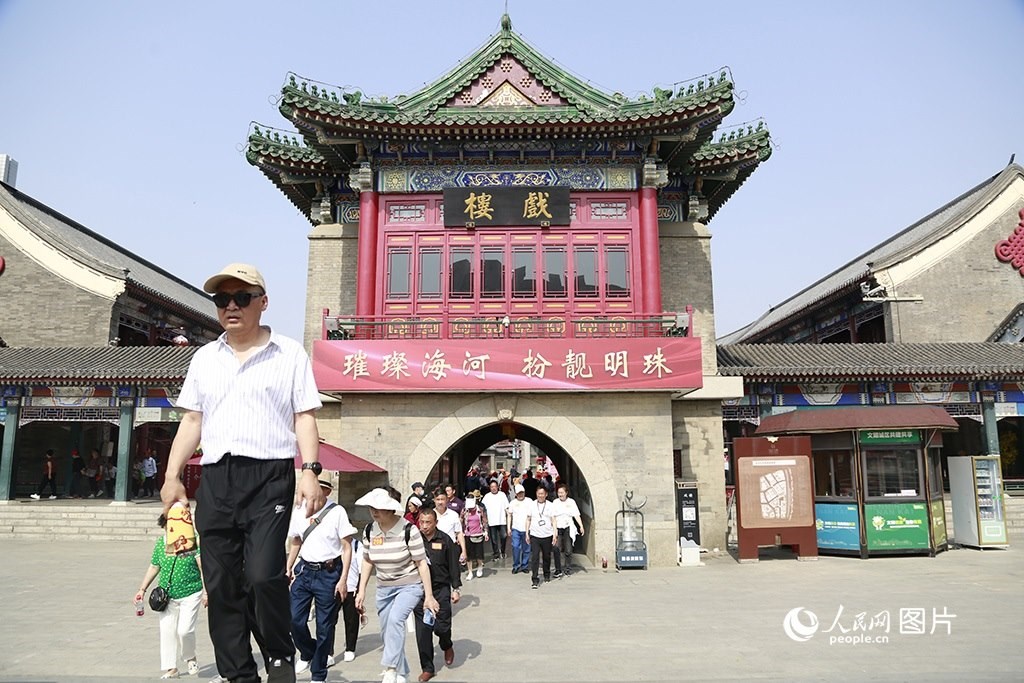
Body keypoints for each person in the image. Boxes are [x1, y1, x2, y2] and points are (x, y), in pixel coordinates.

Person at [161, 262, 326, 683]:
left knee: (262, 575)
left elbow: (304, 416)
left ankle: (278, 655)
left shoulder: (289, 353)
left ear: (263, 302)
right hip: (217, 479)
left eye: (241, 297)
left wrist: (309, 470)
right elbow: (192, 420)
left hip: (269, 477)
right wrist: (172, 475)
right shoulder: (204, 358)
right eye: (222, 299)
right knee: (220, 585)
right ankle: (238, 674)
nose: (231, 306)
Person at [355, 487, 440, 683]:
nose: (374, 512)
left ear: (391, 508)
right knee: (387, 630)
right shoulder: (369, 530)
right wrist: (361, 591)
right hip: (384, 586)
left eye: (378, 508)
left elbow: (421, 563)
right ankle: (402, 671)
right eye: (371, 508)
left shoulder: (409, 530)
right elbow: (367, 560)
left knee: (395, 620)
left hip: (409, 585)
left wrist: (428, 596)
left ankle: (390, 668)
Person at [286, 479, 355, 683]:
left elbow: (347, 547)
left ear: (326, 491)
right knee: (294, 619)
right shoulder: (299, 510)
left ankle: (318, 674)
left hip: (329, 573)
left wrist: (343, 579)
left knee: (324, 627)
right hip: (305, 570)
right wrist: (288, 566)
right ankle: (309, 651)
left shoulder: (337, 512)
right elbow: (296, 540)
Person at [134, 512, 207, 680]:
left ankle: (190, 657)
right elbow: (154, 566)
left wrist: (206, 591)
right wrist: (142, 589)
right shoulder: (161, 543)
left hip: (191, 592)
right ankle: (171, 668)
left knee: (185, 630)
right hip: (167, 596)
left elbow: (202, 566)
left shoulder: (193, 540)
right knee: (167, 630)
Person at [412, 507, 461, 682]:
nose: (424, 526)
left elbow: (453, 566)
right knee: (423, 632)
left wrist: (456, 588)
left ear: (436, 523)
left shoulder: (445, 540)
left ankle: (446, 645)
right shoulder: (414, 540)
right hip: (419, 591)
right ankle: (427, 668)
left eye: (428, 522)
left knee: (442, 627)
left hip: (441, 590)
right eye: (422, 522)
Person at [335, 529, 363, 664]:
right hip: (333, 588)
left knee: (351, 619)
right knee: (328, 620)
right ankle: (328, 652)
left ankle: (350, 648)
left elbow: (362, 570)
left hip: (352, 588)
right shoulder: (332, 544)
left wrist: (360, 589)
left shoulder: (357, 546)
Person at [527, 485, 558, 589]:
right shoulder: (532, 505)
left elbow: (553, 520)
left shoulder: (550, 505)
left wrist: (555, 534)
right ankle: (535, 579)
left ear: (546, 494)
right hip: (535, 535)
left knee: (546, 556)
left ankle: (546, 574)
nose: (540, 496)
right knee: (535, 557)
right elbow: (528, 519)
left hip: (547, 535)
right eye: (539, 494)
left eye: (542, 494)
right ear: (536, 494)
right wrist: (527, 533)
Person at [551, 483, 585, 576]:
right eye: (559, 492)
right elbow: (553, 517)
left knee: (568, 550)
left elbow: (576, 515)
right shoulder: (555, 502)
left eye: (562, 492)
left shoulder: (571, 502)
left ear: (566, 493)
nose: (560, 494)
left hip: (568, 527)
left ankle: (567, 568)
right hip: (558, 527)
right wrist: (554, 530)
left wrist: (581, 526)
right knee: (556, 548)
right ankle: (558, 569)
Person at [431, 490, 467, 567]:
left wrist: (464, 551)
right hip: (435, 549)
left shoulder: (453, 515)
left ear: (447, 500)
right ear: (434, 500)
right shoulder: (430, 515)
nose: (440, 502)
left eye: (442, 499)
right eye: (438, 499)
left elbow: (459, 533)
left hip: (451, 548)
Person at [506, 484, 533, 575]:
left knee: (526, 548)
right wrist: (508, 527)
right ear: (516, 494)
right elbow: (509, 515)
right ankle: (516, 565)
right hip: (516, 529)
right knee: (515, 547)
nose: (520, 495)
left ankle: (525, 565)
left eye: (522, 493)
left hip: (527, 529)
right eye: (519, 493)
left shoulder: (529, 501)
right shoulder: (512, 503)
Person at [460, 496, 488, 580]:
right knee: (469, 555)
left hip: (478, 534)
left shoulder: (480, 509)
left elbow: (485, 521)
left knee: (479, 553)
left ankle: (480, 566)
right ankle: (470, 572)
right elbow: (461, 520)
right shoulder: (464, 510)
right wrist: (460, 532)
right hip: (468, 534)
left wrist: (486, 532)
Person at [481, 479, 508, 561]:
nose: (493, 488)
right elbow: (482, 508)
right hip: (491, 521)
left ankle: (502, 551)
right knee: (493, 539)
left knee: (504, 536)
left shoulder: (502, 495)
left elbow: (507, 507)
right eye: (491, 487)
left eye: (495, 486)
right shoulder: (487, 496)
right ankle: (496, 553)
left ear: (498, 487)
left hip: (502, 520)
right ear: (489, 488)